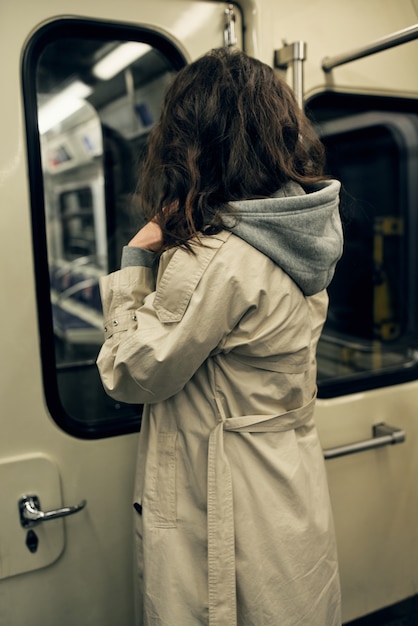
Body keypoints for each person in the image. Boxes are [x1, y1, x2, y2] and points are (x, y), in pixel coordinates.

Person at [97, 47, 343, 626]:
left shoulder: (216, 257)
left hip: (231, 510)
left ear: (193, 141)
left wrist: (136, 261)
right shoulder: (304, 230)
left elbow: (130, 373)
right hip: (287, 481)